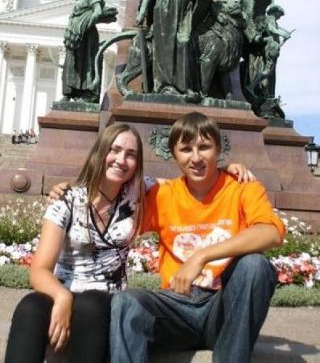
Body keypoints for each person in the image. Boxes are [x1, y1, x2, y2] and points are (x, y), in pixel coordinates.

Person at [110, 112, 285, 363]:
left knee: (255, 266)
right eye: (185, 149)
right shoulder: (162, 195)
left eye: (204, 147)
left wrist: (201, 257)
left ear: (219, 150)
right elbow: (111, 209)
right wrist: (68, 192)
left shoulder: (243, 187)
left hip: (223, 308)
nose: (195, 158)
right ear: (174, 154)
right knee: (126, 302)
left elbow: (271, 232)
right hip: (176, 308)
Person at [5, 123, 145, 363]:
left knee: (90, 305)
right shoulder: (67, 200)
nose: (121, 160)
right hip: (64, 289)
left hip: (106, 299)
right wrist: (62, 297)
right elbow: (39, 270)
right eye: (114, 150)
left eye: (131, 155)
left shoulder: (139, 195)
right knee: (30, 306)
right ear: (100, 152)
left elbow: (188, 182)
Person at [61, 0, 117, 103]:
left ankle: (87, 93)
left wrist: (86, 24)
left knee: (86, 62)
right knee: (73, 62)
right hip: (77, 34)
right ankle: (70, 92)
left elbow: (97, 11)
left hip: (86, 34)